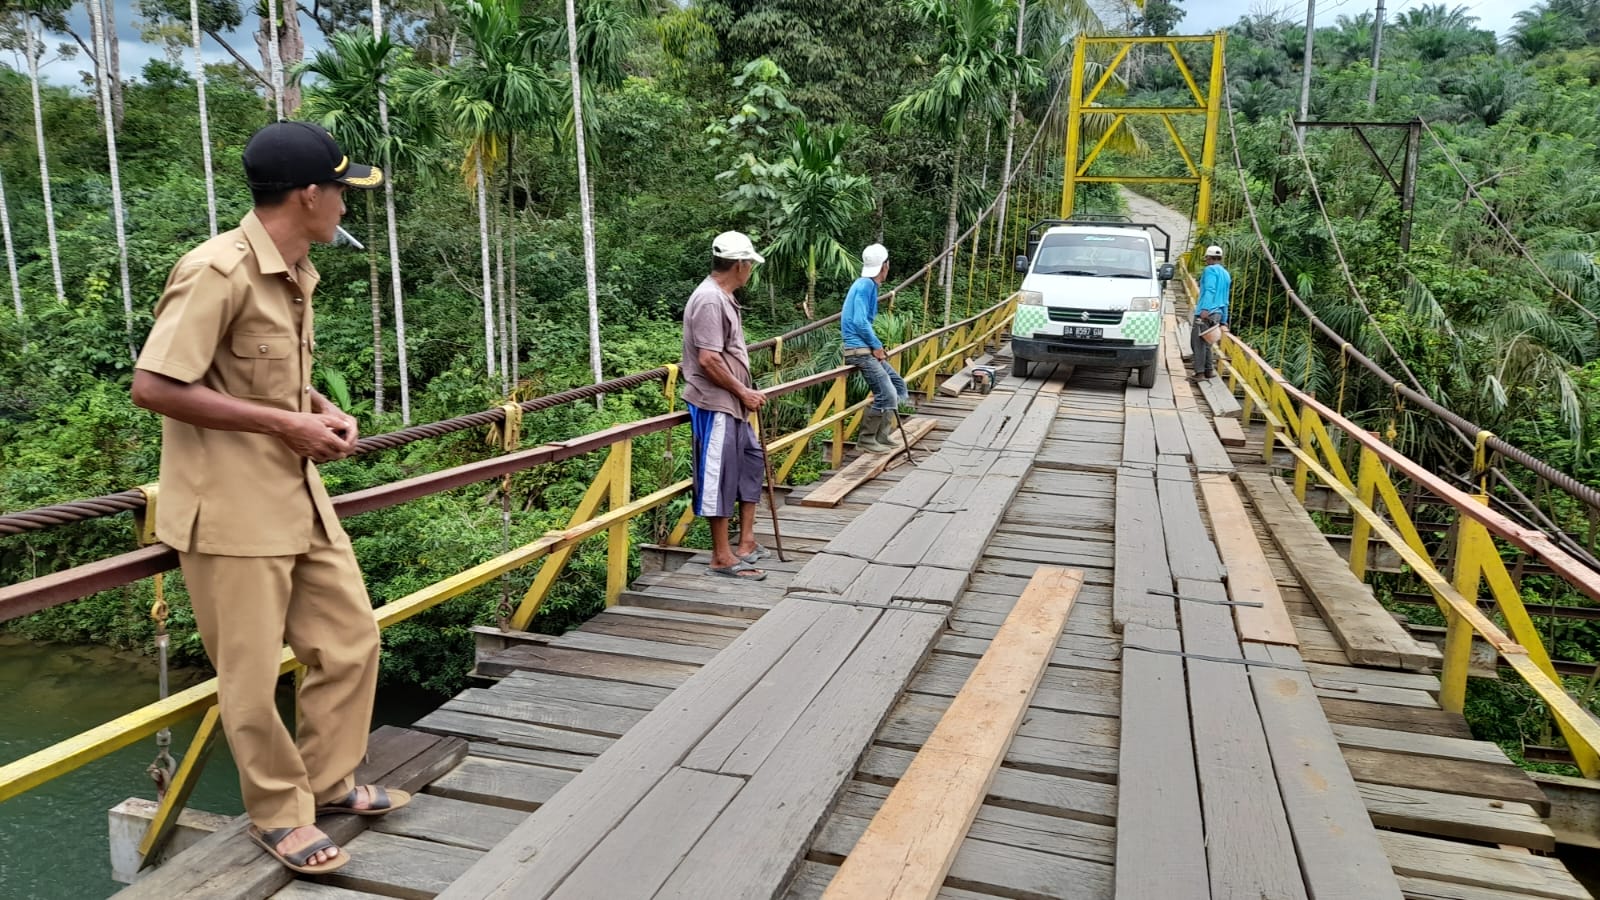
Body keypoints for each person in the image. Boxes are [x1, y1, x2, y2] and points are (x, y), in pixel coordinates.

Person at [130, 122, 407, 876]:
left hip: (295, 494)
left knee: (351, 638)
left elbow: (262, 377)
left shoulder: (293, 266)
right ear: (308, 195)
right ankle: (279, 815)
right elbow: (154, 386)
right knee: (250, 678)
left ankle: (328, 782)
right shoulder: (217, 271)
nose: (347, 208)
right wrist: (284, 421)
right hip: (229, 509)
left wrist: (314, 407)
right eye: (342, 194)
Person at [681, 231, 771, 581]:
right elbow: (708, 360)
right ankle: (721, 556)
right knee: (718, 476)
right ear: (740, 264)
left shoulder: (723, 297)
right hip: (716, 402)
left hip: (734, 404)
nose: (750, 270)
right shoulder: (709, 300)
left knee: (750, 464)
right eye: (749, 263)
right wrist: (743, 391)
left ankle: (745, 542)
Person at [841, 243, 909, 453]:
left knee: (898, 385)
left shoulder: (868, 285)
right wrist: (877, 347)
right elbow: (860, 322)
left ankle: (882, 434)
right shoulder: (865, 286)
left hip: (865, 349)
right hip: (859, 351)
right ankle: (867, 439)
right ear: (885, 266)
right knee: (887, 392)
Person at [1188, 244, 1232, 382]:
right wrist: (1224, 319)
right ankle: (1209, 371)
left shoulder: (1210, 270)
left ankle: (1199, 373)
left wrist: (1204, 310)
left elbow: (1210, 290)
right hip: (1218, 313)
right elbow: (1225, 298)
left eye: (1206, 258)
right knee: (1207, 342)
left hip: (1207, 312)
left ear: (1209, 258)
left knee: (1197, 342)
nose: (1206, 261)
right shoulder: (1226, 274)